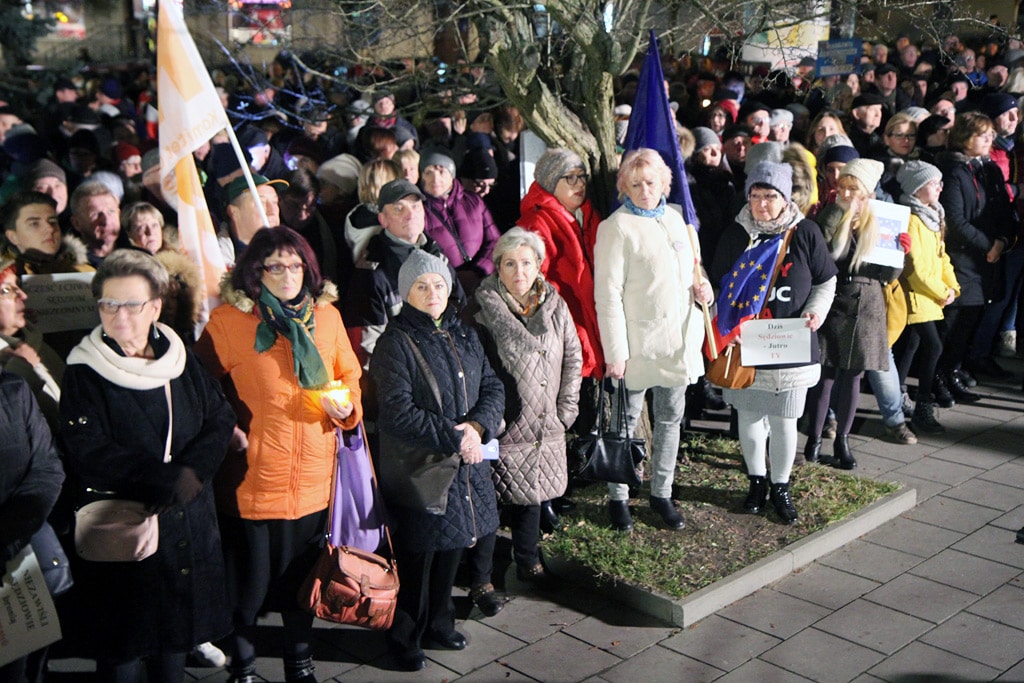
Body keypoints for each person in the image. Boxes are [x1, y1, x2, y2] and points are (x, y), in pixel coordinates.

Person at [194, 227, 363, 683]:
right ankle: (244, 667)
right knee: (246, 589)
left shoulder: (325, 318)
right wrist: (225, 429)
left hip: (313, 482)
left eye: (295, 265)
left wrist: (347, 406)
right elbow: (200, 388)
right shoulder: (229, 323)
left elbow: (349, 373)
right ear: (255, 273)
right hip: (253, 482)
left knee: (302, 585)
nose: (287, 274)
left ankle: (300, 664)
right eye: (275, 266)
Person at [59, 249, 236, 682]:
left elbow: (219, 417)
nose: (120, 315)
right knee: (122, 652)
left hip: (186, 525)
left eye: (132, 304)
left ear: (155, 307)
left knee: (174, 645)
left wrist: (192, 473)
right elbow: (87, 448)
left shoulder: (179, 358)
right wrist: (164, 478)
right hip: (126, 530)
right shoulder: (84, 371)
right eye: (109, 304)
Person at [369, 250, 503, 672]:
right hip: (424, 468)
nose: (432, 293)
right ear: (406, 292)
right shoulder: (395, 343)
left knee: (452, 547)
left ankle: (440, 623)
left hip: (466, 462)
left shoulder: (466, 333)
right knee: (419, 557)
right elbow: (397, 410)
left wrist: (479, 427)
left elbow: (493, 386)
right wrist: (455, 435)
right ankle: (405, 634)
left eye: (439, 284)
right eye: (421, 286)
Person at [708, 162, 837, 523]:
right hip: (746, 346)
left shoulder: (805, 233)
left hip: (791, 346)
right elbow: (720, 285)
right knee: (749, 418)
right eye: (755, 195)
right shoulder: (736, 234)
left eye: (770, 196)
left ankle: (781, 485)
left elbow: (826, 281)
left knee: (784, 422)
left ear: (785, 198)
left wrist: (815, 313)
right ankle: (757, 481)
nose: (761, 204)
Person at [593, 149, 712, 532]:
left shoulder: (677, 218)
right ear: (624, 186)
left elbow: (693, 269)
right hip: (637, 345)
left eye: (652, 182)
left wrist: (703, 287)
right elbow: (607, 294)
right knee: (624, 422)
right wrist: (615, 352)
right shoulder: (617, 227)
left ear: (665, 183)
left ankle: (662, 492)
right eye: (636, 183)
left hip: (678, 341)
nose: (645, 190)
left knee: (671, 419)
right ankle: (619, 498)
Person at [473, 227, 582, 581]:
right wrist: (492, 421)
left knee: (533, 495)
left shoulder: (555, 305)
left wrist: (565, 411)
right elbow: (476, 370)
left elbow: (572, 358)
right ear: (497, 268)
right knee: (488, 504)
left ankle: (528, 560)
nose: (518, 273)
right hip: (500, 426)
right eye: (509, 264)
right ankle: (482, 579)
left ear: (539, 265)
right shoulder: (481, 310)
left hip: (544, 423)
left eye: (526, 263)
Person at [803, 159, 900, 469]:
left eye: (853, 188)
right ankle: (814, 440)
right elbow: (822, 253)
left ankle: (843, 439)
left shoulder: (881, 221)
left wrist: (900, 253)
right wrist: (837, 209)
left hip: (868, 305)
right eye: (842, 186)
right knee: (825, 375)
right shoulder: (830, 214)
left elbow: (888, 274)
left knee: (854, 376)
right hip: (834, 301)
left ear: (867, 193)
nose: (845, 193)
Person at [934, 112, 1013, 403]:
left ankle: (953, 373)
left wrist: (1004, 240)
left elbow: (1003, 208)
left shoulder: (988, 169)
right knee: (951, 325)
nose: (990, 140)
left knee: (969, 322)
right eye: (983, 135)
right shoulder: (954, 170)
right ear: (965, 137)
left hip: (986, 259)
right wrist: (988, 245)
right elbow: (955, 220)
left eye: (991, 135)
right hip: (963, 259)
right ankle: (936, 379)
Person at [0, 371, 65, 683]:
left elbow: (47, 467)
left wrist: (10, 533)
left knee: (22, 669)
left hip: (16, 558)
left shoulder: (12, 390)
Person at [895, 161, 959, 432]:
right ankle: (923, 404)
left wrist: (953, 287)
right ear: (917, 188)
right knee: (933, 346)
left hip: (930, 296)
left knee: (912, 344)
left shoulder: (934, 214)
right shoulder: (912, 218)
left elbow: (942, 257)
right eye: (934, 183)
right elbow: (917, 269)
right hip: (916, 295)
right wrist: (941, 290)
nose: (940, 188)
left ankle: (896, 396)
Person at [121, 201, 204, 343]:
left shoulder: (182, 266)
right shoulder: (125, 267)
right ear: (130, 233)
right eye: (141, 227)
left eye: (154, 225)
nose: (150, 232)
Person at [419, 151, 500, 294]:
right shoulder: (418, 210)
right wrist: (452, 279)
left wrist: (479, 270)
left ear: (452, 175)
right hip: (446, 290)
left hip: (483, 282)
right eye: (428, 172)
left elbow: (494, 240)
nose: (435, 178)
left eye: (441, 171)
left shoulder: (474, 201)